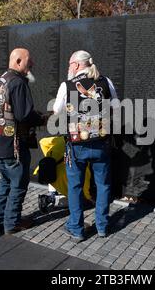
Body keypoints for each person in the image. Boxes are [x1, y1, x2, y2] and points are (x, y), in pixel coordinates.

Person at [53, 50, 119, 241]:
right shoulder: (106, 81)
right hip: (102, 143)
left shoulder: (67, 85)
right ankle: (102, 226)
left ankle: (76, 228)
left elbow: (56, 110)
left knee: (75, 186)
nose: (68, 68)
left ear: (76, 65)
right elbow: (115, 107)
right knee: (103, 185)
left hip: (77, 145)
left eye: (69, 64)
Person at [0, 48, 46, 235]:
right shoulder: (18, 82)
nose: (32, 64)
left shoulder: (1, 79)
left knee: (5, 182)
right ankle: (12, 223)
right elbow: (24, 114)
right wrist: (43, 119)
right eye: (30, 61)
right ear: (19, 61)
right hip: (12, 144)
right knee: (18, 184)